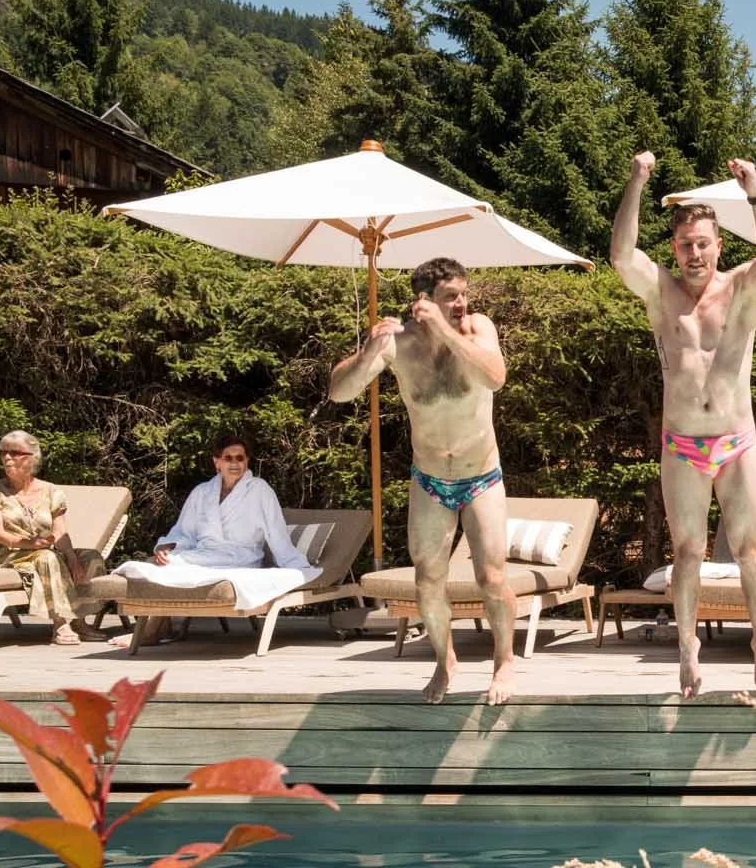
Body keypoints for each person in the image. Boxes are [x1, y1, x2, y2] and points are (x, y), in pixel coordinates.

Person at [611, 150, 756, 699]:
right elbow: (621, 254)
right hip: (682, 446)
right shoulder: (660, 292)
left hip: (737, 443)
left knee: (749, 551)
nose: (694, 253)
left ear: (718, 245)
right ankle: (687, 646)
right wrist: (636, 180)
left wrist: (754, 192)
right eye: (686, 244)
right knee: (687, 553)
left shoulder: (741, 288)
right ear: (674, 248)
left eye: (703, 243)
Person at [329, 256, 515, 705]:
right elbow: (338, 391)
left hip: (481, 476)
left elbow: (496, 377)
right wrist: (370, 352)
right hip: (430, 480)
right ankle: (444, 660)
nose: (461, 303)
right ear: (424, 300)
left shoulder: (477, 329)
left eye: (464, 294)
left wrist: (447, 330)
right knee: (428, 579)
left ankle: (504, 661)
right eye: (451, 297)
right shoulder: (402, 343)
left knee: (491, 577)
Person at [111, 432, 316, 644]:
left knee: (169, 567)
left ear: (247, 461)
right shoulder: (202, 492)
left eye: (240, 458)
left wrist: (294, 565)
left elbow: (275, 531)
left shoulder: (259, 490)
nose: (234, 463)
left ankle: (153, 630)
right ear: (217, 462)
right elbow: (185, 531)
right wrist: (168, 546)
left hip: (241, 558)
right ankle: (162, 626)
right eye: (228, 458)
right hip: (206, 554)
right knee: (160, 562)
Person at [0, 430, 112, 645]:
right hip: (7, 556)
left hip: (42, 551)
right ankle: (60, 623)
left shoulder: (51, 491)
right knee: (47, 557)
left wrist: (73, 560)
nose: (7, 457)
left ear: (32, 457)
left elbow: (60, 533)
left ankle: (79, 621)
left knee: (90, 557)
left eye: (14, 453)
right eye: (2, 453)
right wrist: (30, 544)